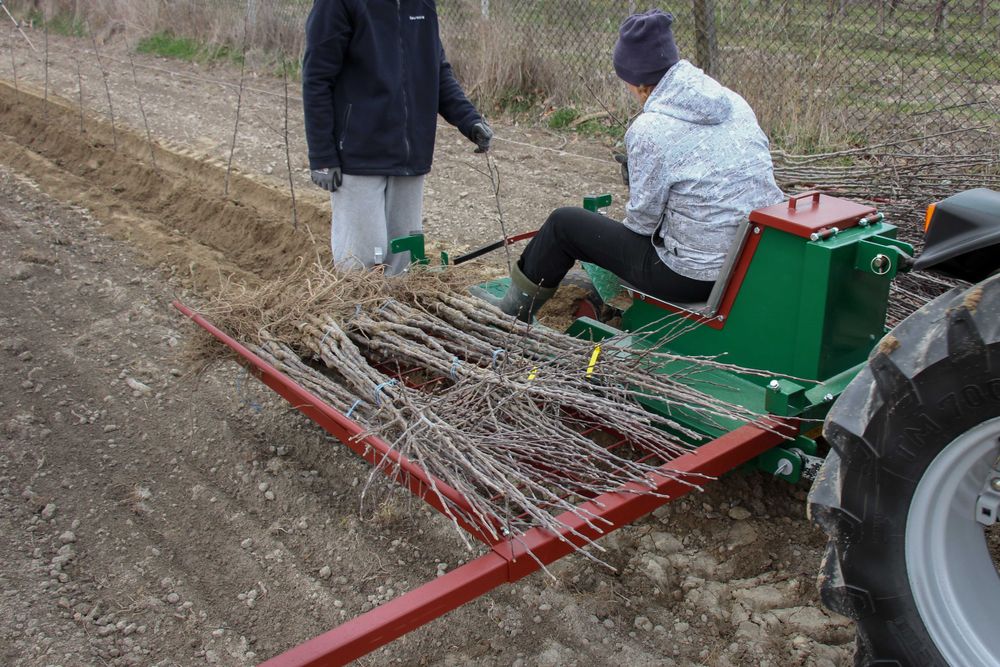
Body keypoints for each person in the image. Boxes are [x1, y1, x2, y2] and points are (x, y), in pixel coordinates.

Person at [487, 9, 784, 322]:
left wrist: (643, 182)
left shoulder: (650, 129)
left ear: (639, 83)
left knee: (563, 225)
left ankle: (511, 315)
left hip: (694, 278)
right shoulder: (733, 103)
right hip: (752, 263)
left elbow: (642, 223)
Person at [302, 0, 494, 275]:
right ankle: (354, 317)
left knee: (404, 258)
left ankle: (394, 316)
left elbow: (436, 69)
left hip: (411, 155)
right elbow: (317, 78)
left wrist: (469, 120)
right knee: (362, 259)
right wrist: (321, 155)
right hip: (359, 155)